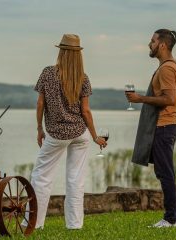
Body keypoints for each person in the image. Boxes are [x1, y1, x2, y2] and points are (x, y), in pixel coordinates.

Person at [23, 34, 106, 230]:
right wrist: (94, 136)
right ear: (78, 54)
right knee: (76, 179)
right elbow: (85, 111)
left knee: (41, 177)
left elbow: (40, 103)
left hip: (56, 133)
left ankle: (33, 224)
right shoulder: (83, 78)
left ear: (61, 51)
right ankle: (75, 225)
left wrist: (39, 129)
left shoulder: (48, 73)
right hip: (80, 133)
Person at [126, 29, 176, 228]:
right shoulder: (167, 66)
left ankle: (171, 218)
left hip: (165, 125)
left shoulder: (167, 68)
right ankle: (175, 216)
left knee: (165, 173)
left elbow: (169, 99)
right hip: (166, 125)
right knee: (165, 172)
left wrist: (140, 98)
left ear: (162, 45)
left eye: (152, 41)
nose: (149, 44)